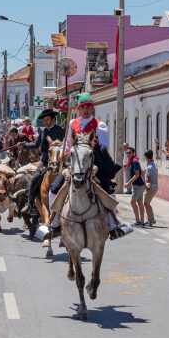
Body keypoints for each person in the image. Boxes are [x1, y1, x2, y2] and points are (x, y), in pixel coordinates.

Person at [50, 93, 125, 240]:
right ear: (78, 109)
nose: (85, 110)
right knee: (53, 189)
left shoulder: (100, 125)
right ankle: (54, 223)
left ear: (92, 109)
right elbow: (67, 143)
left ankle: (113, 225)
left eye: (88, 107)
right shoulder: (72, 123)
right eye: (82, 107)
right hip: (74, 165)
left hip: (93, 164)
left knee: (109, 190)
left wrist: (92, 146)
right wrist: (63, 152)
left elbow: (104, 147)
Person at [21, 109, 65, 230]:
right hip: (46, 161)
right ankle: (29, 204)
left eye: (47, 120)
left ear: (53, 119)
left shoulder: (61, 131)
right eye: (44, 120)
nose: (45, 122)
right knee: (35, 179)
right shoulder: (44, 131)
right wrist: (24, 145)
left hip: (61, 161)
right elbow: (36, 145)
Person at [124, 147, 145, 227]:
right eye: (127, 153)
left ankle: (138, 221)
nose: (128, 154)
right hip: (139, 185)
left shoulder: (135, 162)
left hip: (138, 185)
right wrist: (145, 183)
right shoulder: (132, 161)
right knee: (139, 203)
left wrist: (128, 183)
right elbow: (142, 172)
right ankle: (141, 222)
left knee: (133, 202)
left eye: (129, 152)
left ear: (133, 153)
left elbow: (137, 174)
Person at [142, 150, 158, 228]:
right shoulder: (153, 163)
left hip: (151, 187)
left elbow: (148, 180)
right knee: (147, 203)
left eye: (145, 156)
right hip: (154, 186)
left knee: (146, 203)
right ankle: (151, 219)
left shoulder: (150, 167)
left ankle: (150, 220)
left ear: (146, 157)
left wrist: (145, 187)